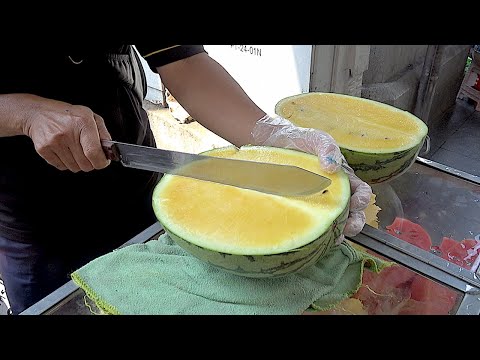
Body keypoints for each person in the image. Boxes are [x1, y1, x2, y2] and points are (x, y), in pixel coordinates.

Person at [0, 45, 372, 315]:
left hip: (138, 182)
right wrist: (23, 113)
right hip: (34, 224)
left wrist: (272, 134)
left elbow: (183, 62)